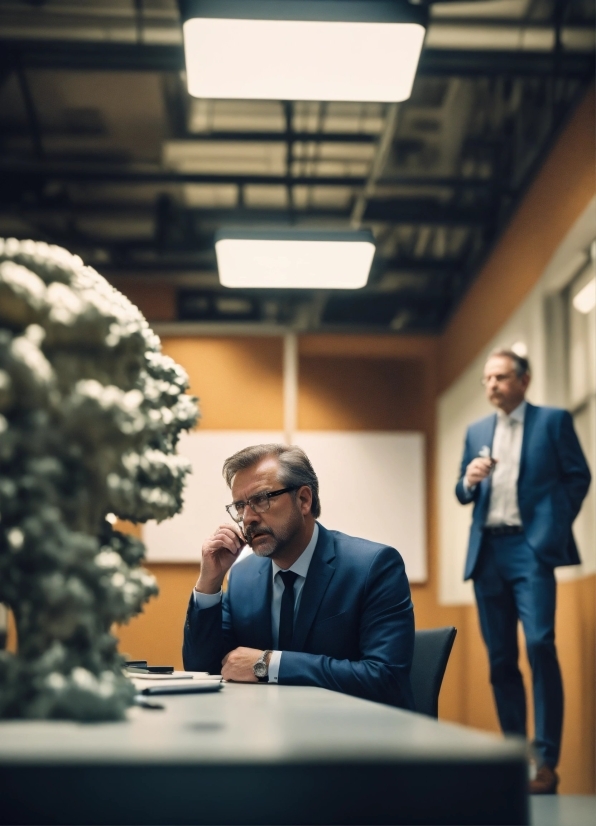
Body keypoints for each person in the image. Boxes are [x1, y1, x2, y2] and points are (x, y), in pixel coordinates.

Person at [183, 443, 415, 709]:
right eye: (240, 506)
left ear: (304, 500)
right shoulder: (242, 577)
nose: (247, 518)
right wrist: (209, 583)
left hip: (355, 738)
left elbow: (385, 679)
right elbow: (204, 670)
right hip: (267, 736)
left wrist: (267, 664)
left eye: (261, 499)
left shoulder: (373, 566)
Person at [456, 349, 591, 795]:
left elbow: (579, 476)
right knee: (499, 659)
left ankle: (546, 760)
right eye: (486, 379)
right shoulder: (477, 430)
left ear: (523, 380)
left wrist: (549, 531)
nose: (491, 385)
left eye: (499, 377)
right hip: (487, 552)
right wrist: (469, 480)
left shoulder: (552, 422)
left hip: (531, 549)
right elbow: (461, 492)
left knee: (539, 644)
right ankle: (517, 760)